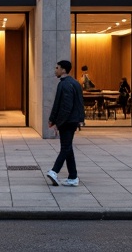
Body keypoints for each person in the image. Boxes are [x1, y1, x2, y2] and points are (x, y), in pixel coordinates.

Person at [46, 59, 86, 187]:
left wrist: (57, 121)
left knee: (65, 147)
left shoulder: (65, 84)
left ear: (63, 70)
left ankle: (54, 171)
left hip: (68, 121)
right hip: (72, 120)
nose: (55, 70)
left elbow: (64, 106)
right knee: (67, 148)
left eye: (57, 68)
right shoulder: (73, 83)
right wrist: (53, 119)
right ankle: (73, 177)